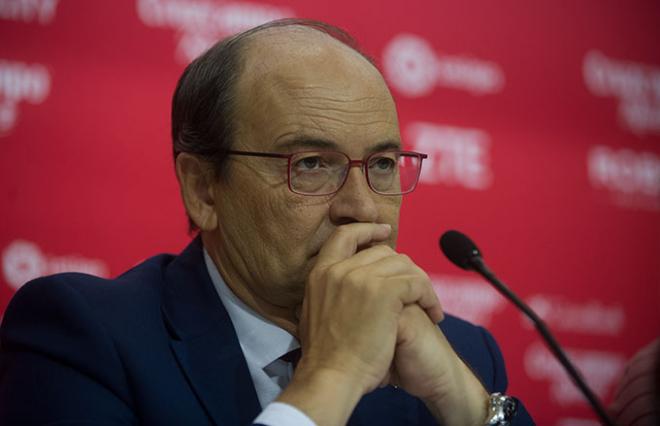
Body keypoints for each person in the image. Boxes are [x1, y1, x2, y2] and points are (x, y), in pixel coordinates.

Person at [0, 19, 534, 425]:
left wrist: (466, 406)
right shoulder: (83, 337)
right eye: (310, 164)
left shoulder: (460, 355)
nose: (363, 208)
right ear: (203, 188)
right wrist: (333, 374)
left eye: (382, 165)